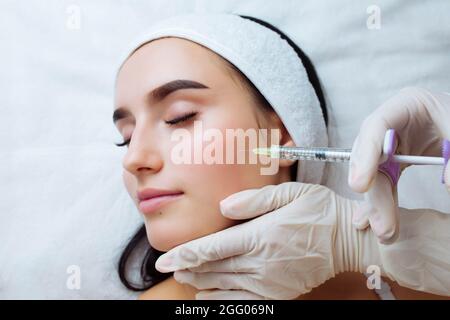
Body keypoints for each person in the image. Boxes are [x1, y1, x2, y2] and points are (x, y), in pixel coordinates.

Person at [113, 13, 450, 299]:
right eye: (126, 138)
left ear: (283, 136)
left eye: (179, 117)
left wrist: (375, 247)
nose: (134, 158)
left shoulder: (405, 276)